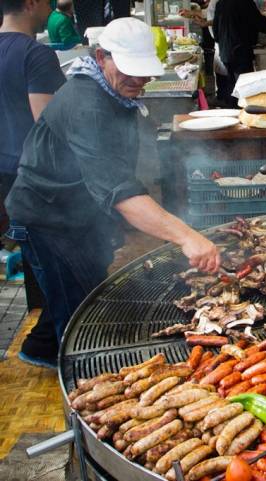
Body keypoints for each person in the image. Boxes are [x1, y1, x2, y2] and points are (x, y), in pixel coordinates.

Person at [5, 18, 221, 369]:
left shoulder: (110, 90)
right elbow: (120, 191)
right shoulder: (85, 104)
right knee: (80, 315)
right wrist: (186, 236)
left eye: (144, 72)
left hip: (77, 212)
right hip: (47, 218)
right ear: (101, 56)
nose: (139, 80)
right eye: (130, 71)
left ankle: (40, 347)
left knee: (80, 291)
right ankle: (76, 373)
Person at [1, 0, 67, 369]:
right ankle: (46, 345)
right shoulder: (35, 54)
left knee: (38, 261)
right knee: (57, 264)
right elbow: (48, 125)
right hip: (30, 178)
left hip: (4, 177)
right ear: (31, 4)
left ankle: (44, 339)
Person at [212, 0, 266, 106]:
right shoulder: (245, 2)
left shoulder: (221, 3)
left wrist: (223, 42)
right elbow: (258, 21)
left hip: (226, 50)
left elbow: (215, 28)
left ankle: (232, 110)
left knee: (232, 84)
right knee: (245, 85)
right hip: (240, 50)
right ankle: (243, 111)